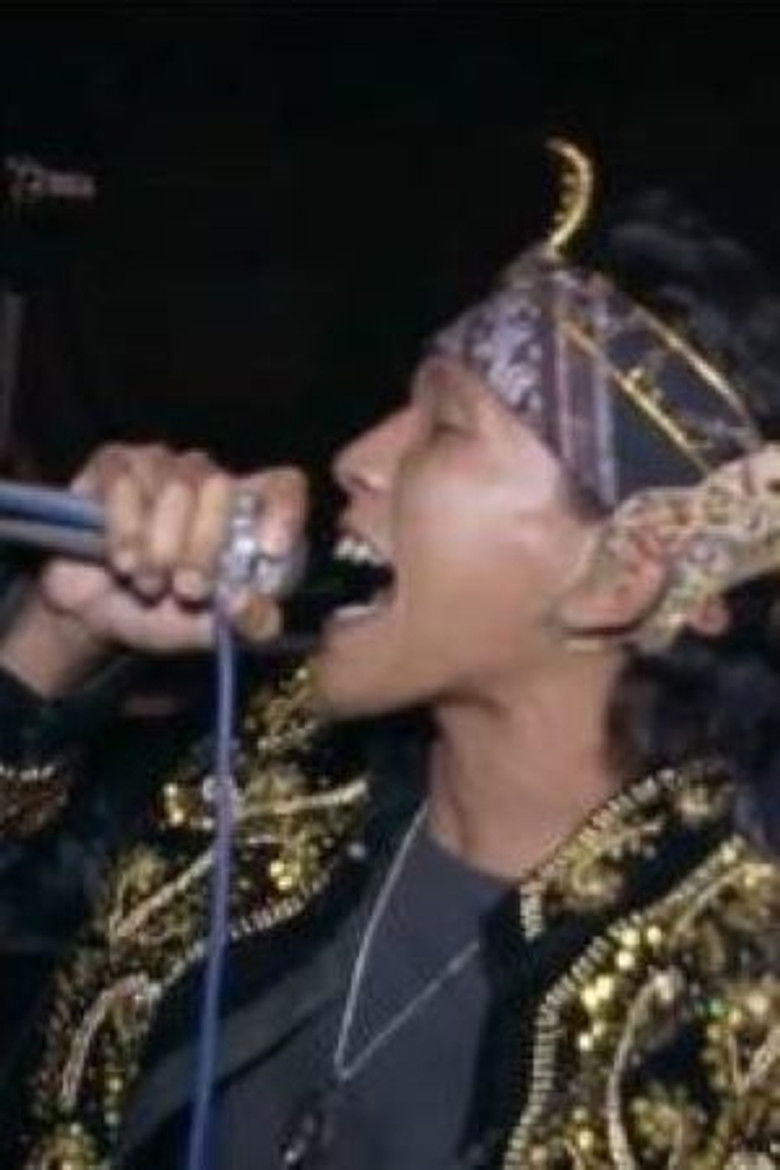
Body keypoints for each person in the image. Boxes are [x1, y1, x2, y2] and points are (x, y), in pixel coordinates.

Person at [0, 142, 778, 1170]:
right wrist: (54, 639)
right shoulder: (266, 785)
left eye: (444, 427)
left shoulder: (738, 1021)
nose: (356, 458)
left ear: (622, 574)